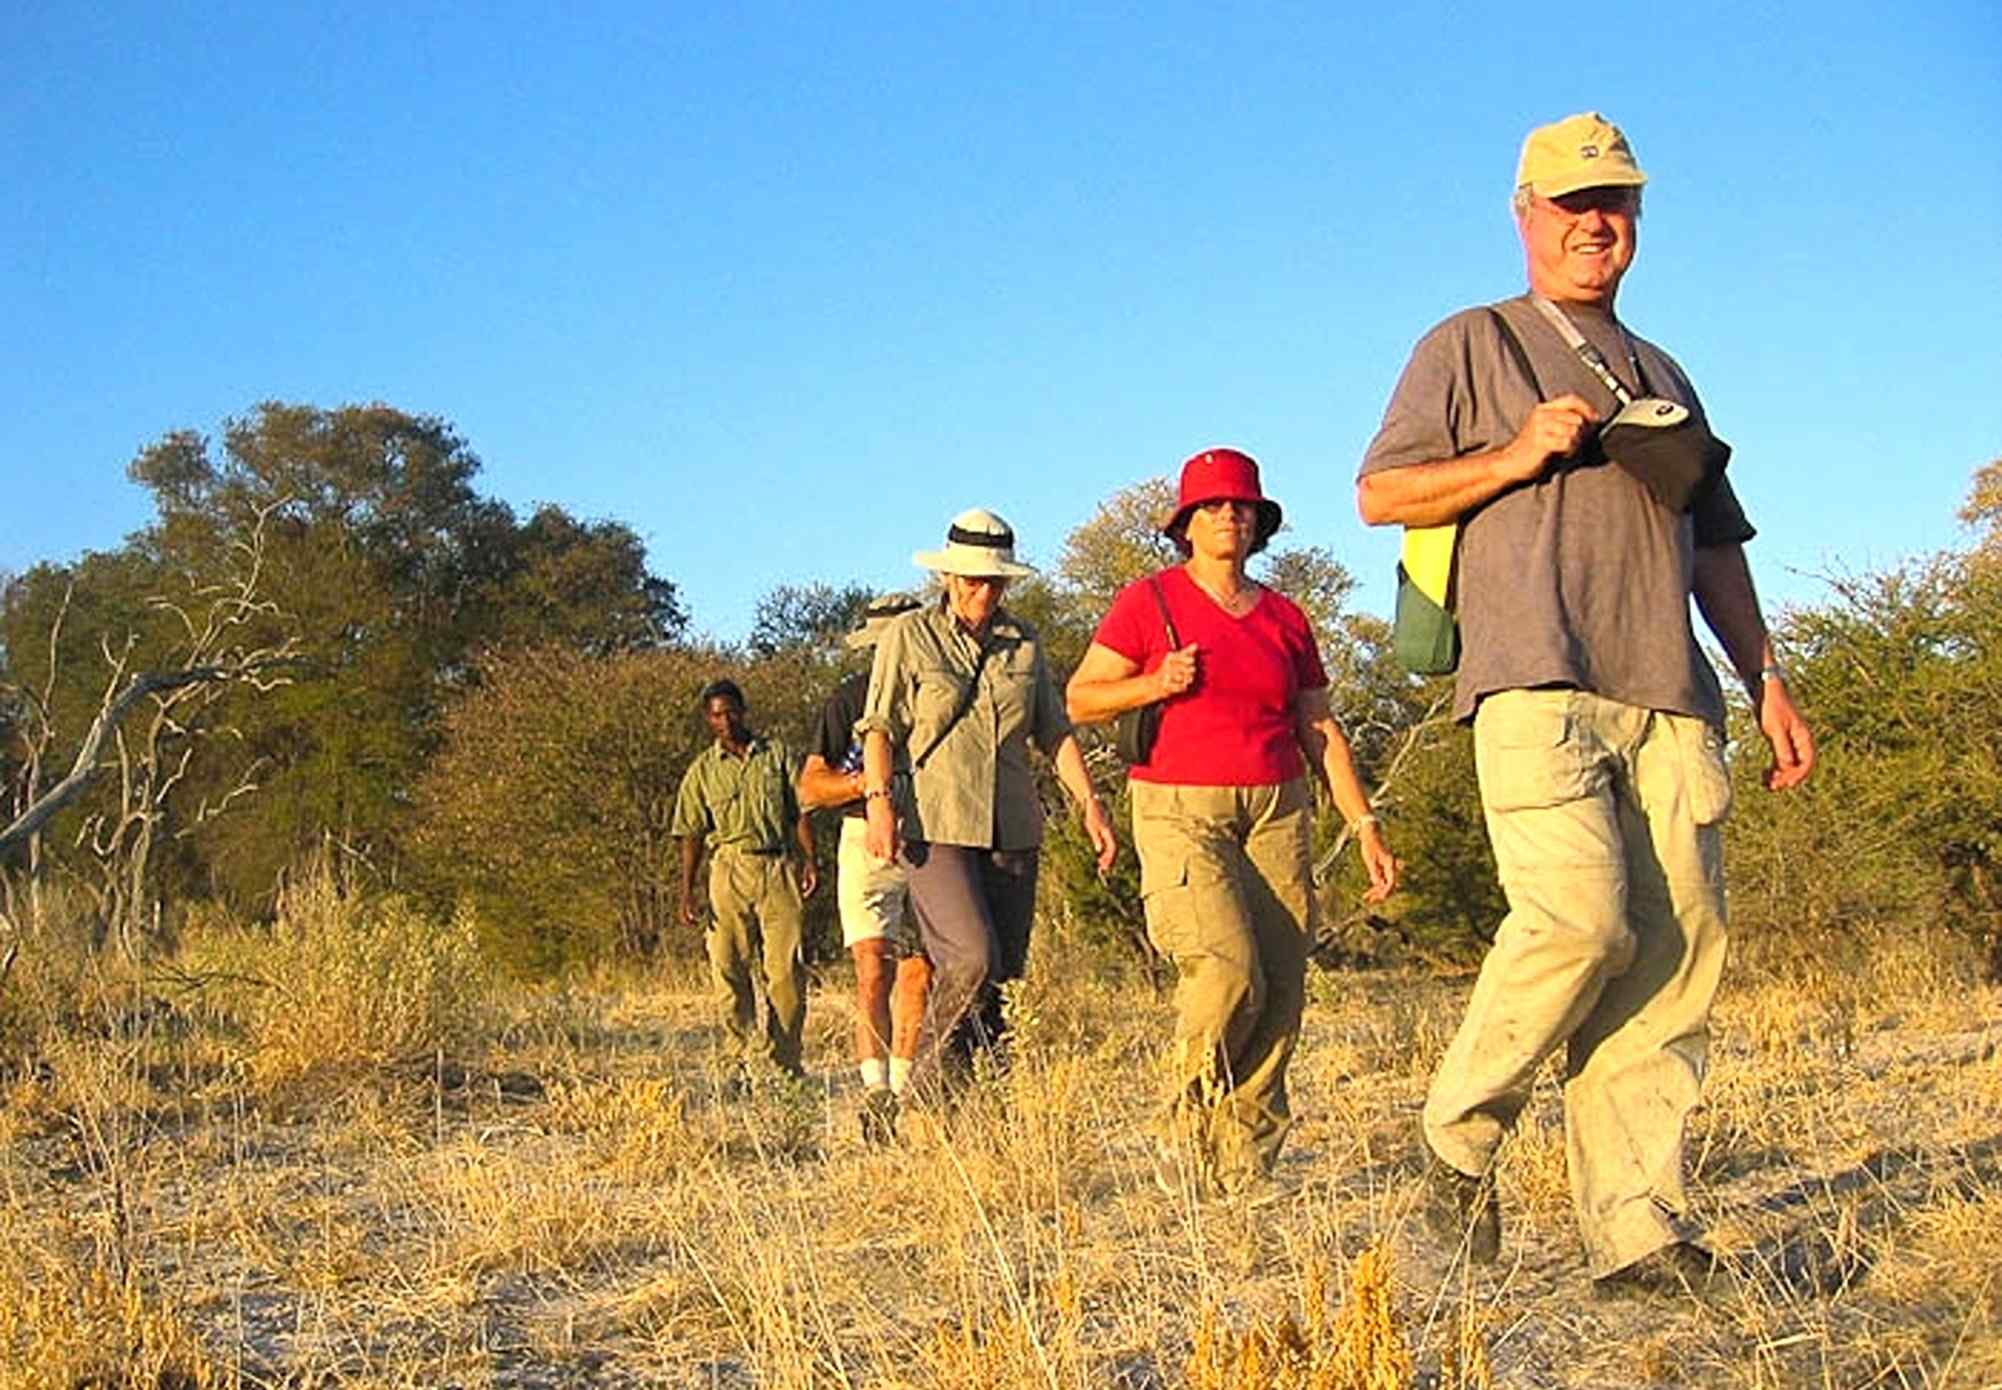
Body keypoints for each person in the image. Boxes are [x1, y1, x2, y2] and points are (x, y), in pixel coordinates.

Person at [1355, 113, 1815, 1294]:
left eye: (1614, 203)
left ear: (1638, 221)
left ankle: (1638, 1231)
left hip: (1669, 688)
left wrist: (1764, 675)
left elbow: (1715, 543)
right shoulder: (1471, 344)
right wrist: (1511, 456)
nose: (1593, 223)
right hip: (1532, 675)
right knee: (1577, 922)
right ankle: (1454, 1142)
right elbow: (1380, 492)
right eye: (1570, 203)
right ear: (1524, 215)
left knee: (1670, 962)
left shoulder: (1664, 373)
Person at [1066, 448, 1397, 1198]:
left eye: (1242, 507)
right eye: (1212, 507)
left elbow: (1321, 729)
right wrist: (1156, 682)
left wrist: (1364, 823)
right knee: (1226, 970)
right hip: (1181, 805)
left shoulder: (1285, 616)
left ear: (1260, 523)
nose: (1229, 517)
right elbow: (1082, 698)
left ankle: (1246, 1166)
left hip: (1278, 806)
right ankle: (1183, 1127)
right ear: (1185, 524)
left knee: (1281, 987)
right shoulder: (1146, 601)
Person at [856, 508, 1117, 1090]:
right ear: (948, 578)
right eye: (973, 578)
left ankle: (983, 1105)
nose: (984, 590)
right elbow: (878, 727)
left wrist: (1091, 805)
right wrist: (878, 802)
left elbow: (1053, 731)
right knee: (970, 958)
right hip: (936, 823)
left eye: (995, 579)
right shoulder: (909, 636)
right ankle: (925, 1092)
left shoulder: (1024, 642)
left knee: (1003, 980)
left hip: (1012, 825)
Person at [797, 592, 934, 1142]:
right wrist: (870, 787)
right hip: (863, 837)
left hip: (929, 839)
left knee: (918, 973)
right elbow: (810, 784)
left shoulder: (934, 694)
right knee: (872, 968)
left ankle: (901, 1095)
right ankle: (874, 1090)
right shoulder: (846, 699)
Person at [673, 678, 820, 1083]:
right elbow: (691, 832)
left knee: (786, 972)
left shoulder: (777, 756)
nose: (726, 721)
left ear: (744, 711)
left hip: (776, 866)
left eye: (732, 711)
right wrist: (687, 890)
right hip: (728, 868)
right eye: (717, 715)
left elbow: (801, 812)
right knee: (728, 966)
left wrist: (810, 859)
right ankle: (737, 1061)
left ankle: (784, 1065)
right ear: (708, 719)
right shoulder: (703, 770)